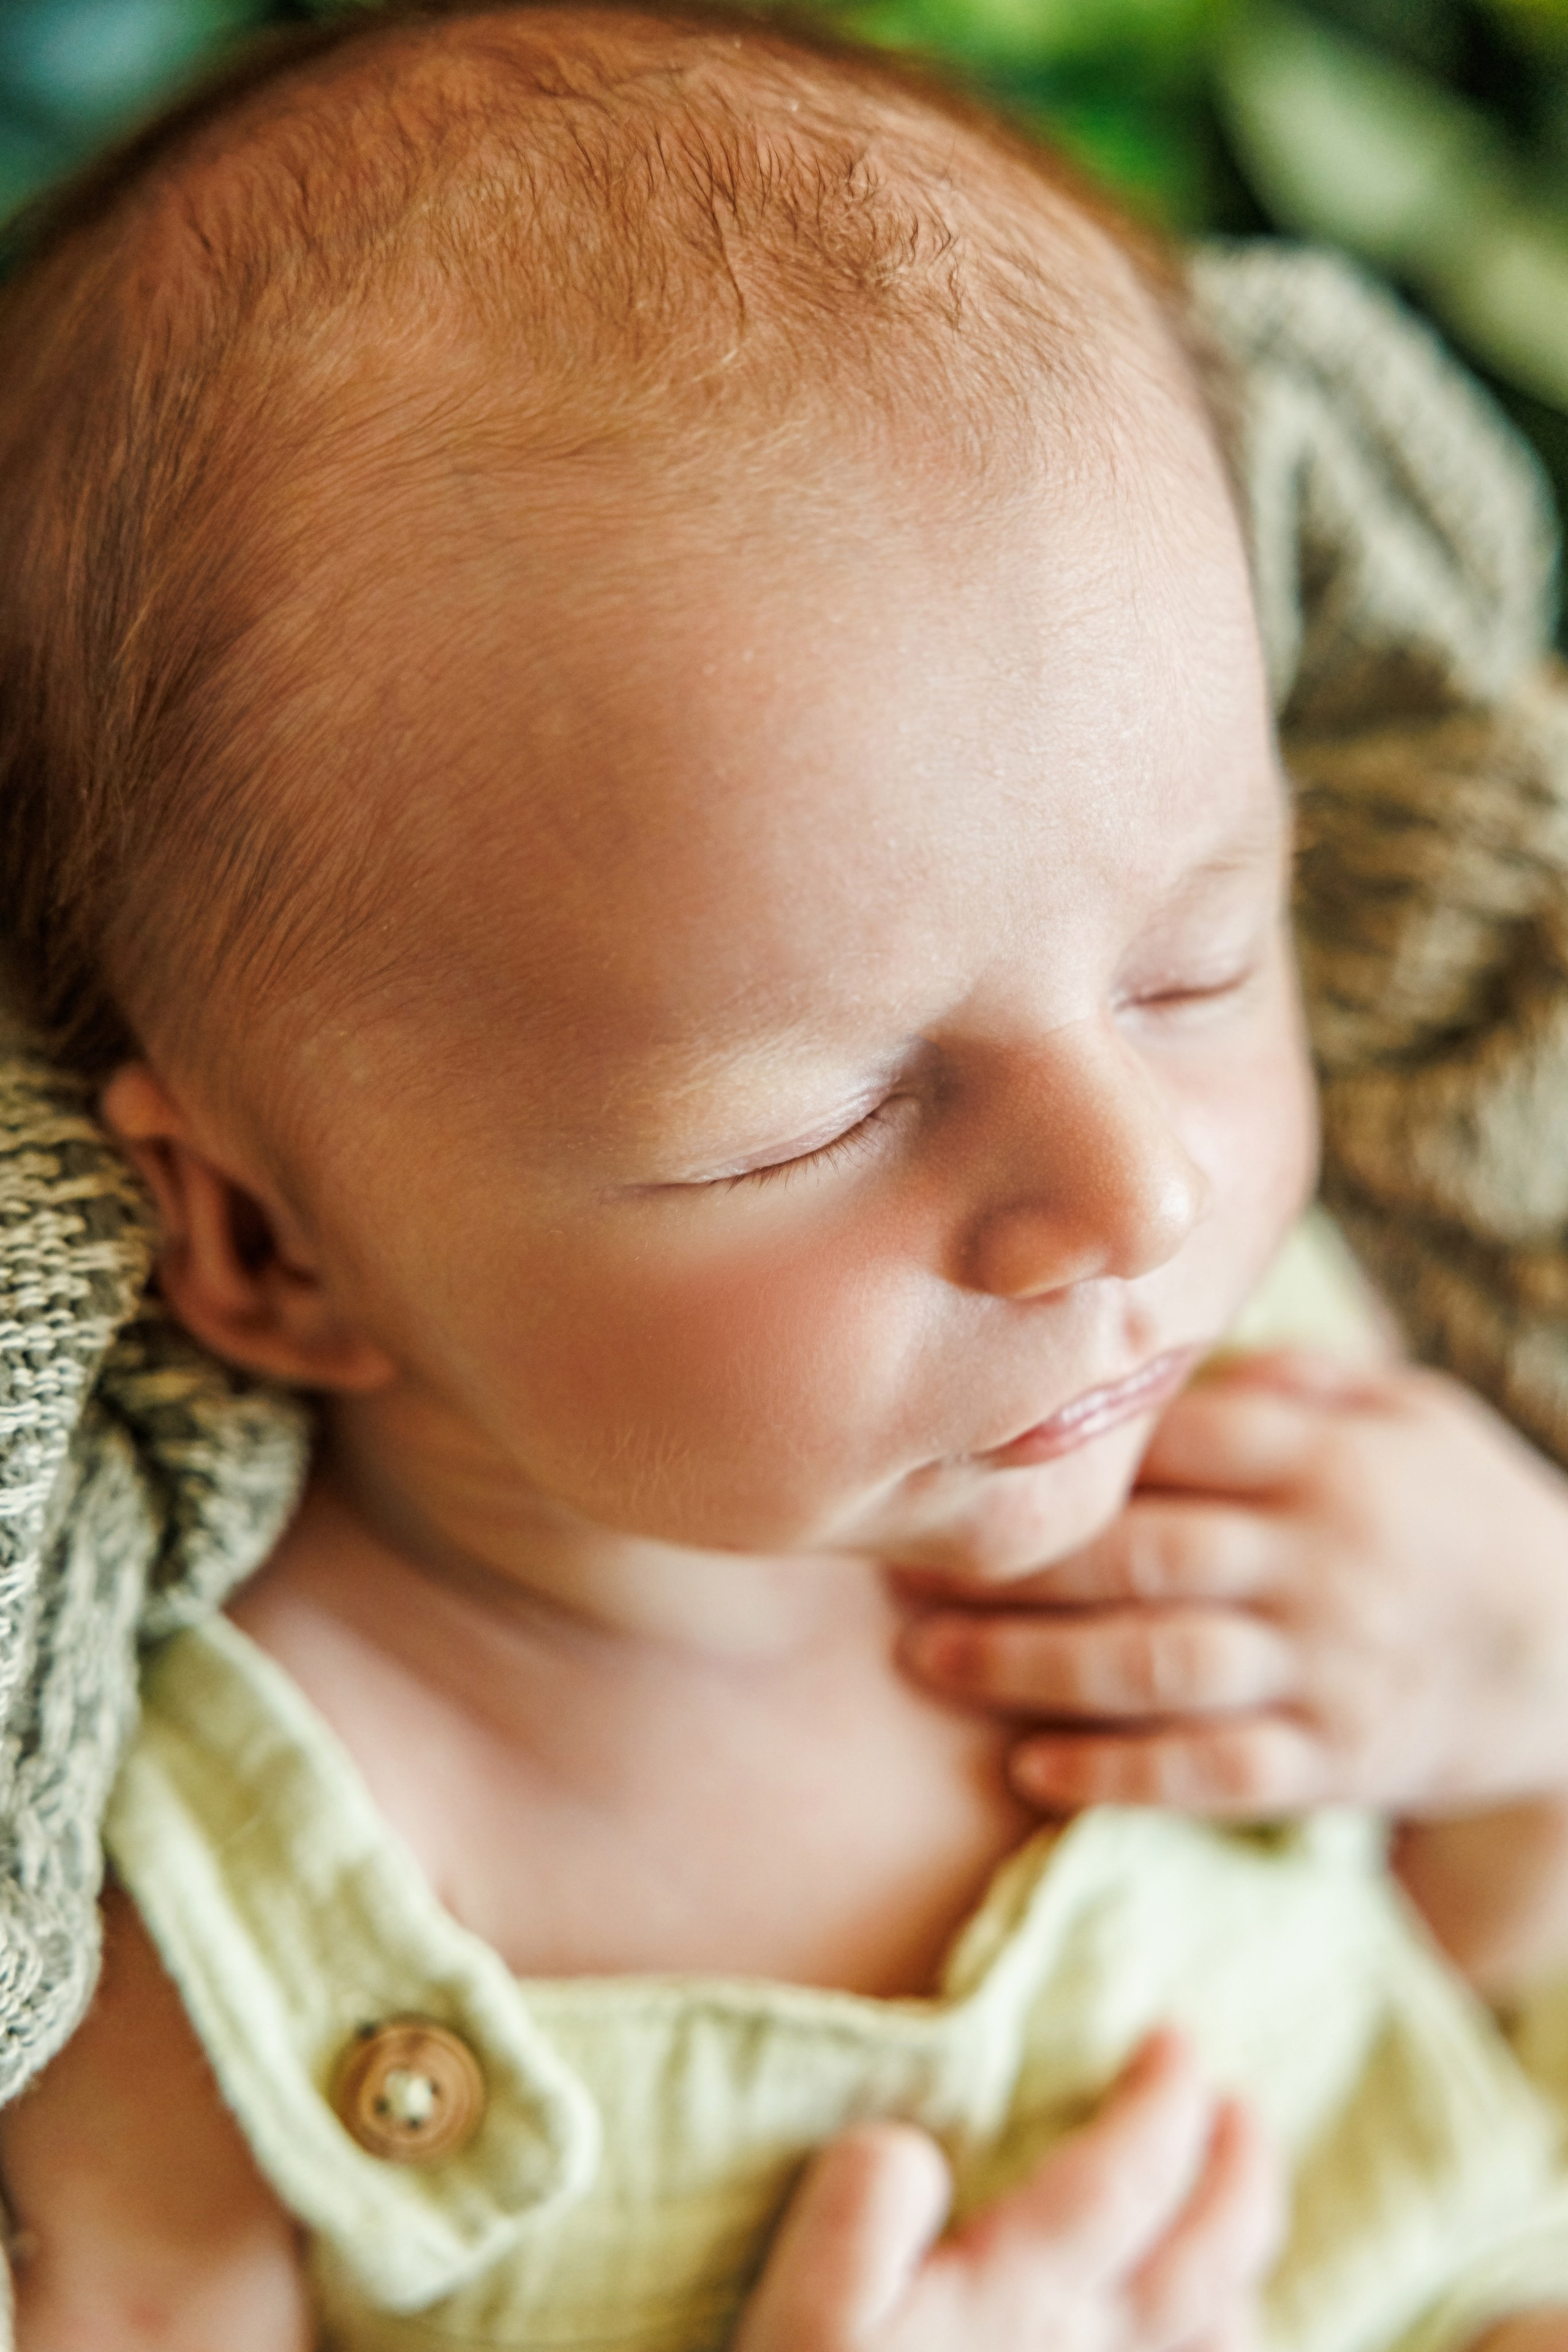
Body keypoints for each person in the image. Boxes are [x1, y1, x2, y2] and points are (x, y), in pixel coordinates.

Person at [6, 5, 1568, 2346]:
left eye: (1197, 964)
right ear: (262, 1241)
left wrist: (1523, 1688)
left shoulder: (1271, 1432)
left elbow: (1483, 2028)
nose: (1136, 1198)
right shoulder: (214, 1908)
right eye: (823, 1116)